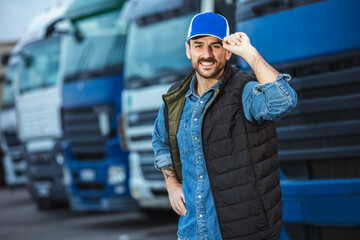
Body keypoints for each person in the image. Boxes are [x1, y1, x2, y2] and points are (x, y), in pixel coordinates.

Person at [152, 12, 297, 240]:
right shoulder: (176, 98)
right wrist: (171, 184)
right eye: (199, 46)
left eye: (215, 46)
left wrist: (251, 54)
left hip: (243, 232)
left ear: (228, 51)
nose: (206, 54)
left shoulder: (245, 91)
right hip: (191, 232)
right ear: (188, 50)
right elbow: (160, 140)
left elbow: (283, 102)